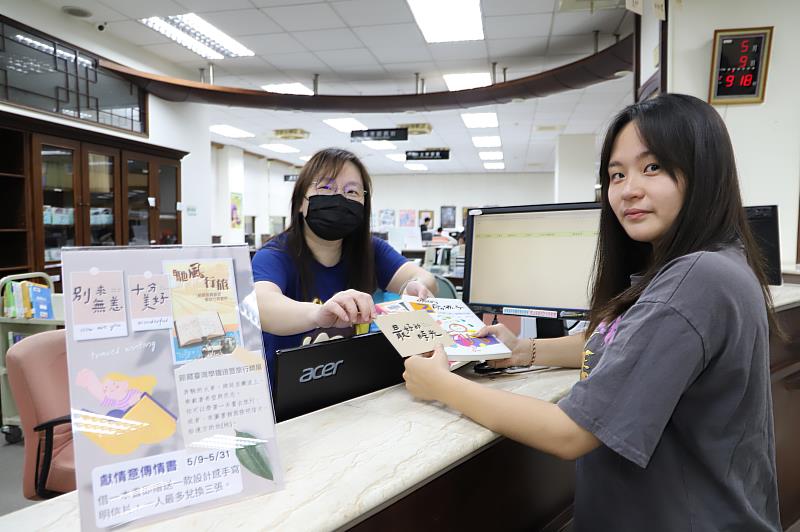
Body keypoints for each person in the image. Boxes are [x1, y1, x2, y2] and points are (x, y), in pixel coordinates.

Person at [402, 94, 781, 531]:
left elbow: (569, 433)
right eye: (616, 174)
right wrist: (524, 350)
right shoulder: (715, 263)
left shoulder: (695, 279)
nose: (628, 189)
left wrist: (441, 384)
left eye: (652, 167)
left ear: (704, 170)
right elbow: (624, 345)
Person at [253, 148, 437, 387]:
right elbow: (261, 304)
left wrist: (415, 286)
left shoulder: (370, 250)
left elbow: (422, 278)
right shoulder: (276, 254)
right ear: (300, 202)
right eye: (326, 188)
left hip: (350, 385)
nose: (339, 198)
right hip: (287, 395)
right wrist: (318, 315)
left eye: (351, 191)